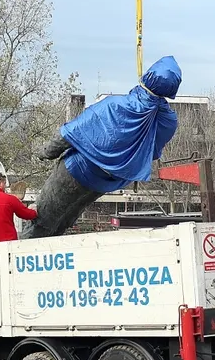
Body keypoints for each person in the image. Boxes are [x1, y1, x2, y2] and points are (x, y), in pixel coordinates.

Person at [27, 56, 181, 238]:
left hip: (75, 170)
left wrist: (45, 152)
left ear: (148, 76)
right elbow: (152, 153)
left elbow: (70, 132)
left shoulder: (115, 105)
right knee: (63, 223)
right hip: (106, 182)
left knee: (42, 220)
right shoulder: (167, 121)